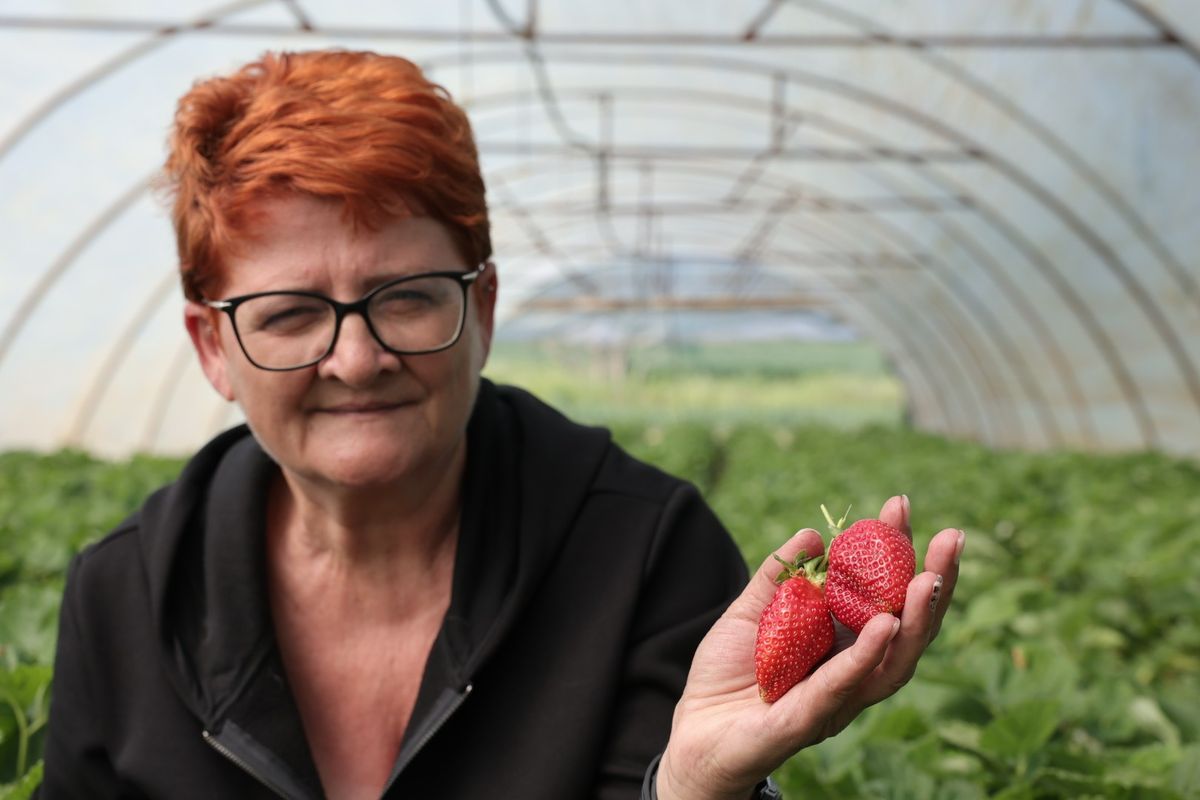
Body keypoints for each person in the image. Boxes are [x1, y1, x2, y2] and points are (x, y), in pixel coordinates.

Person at [40, 50, 964, 799]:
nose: (356, 360)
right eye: (289, 314)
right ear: (212, 347)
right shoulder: (125, 595)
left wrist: (688, 790)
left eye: (404, 299)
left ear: (481, 308)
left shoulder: (645, 552)